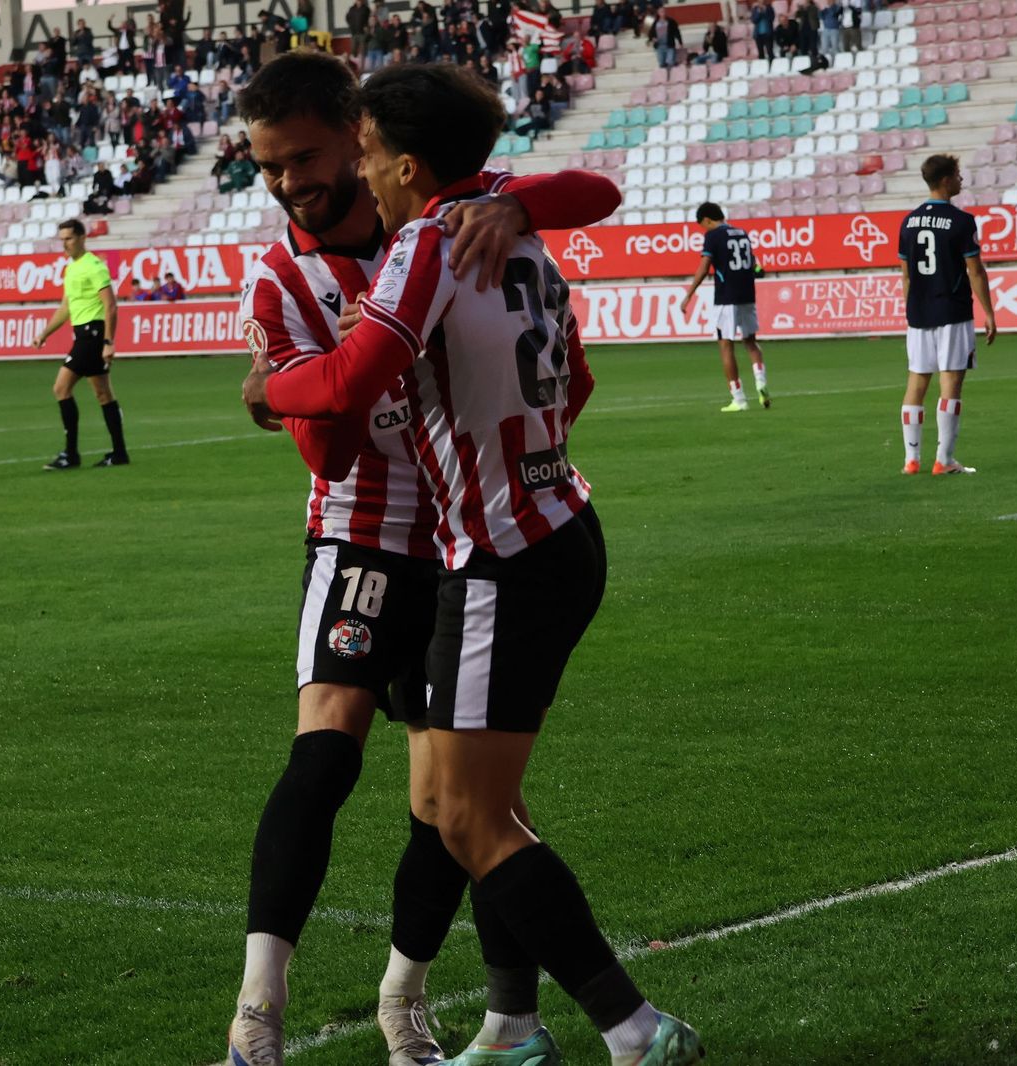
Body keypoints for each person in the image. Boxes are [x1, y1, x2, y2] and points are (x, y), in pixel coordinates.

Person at [241, 61, 704, 1066]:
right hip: (557, 517)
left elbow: (352, 380)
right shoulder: (505, 224)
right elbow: (574, 378)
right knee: (475, 804)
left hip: (495, 551)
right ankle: (510, 1028)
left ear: (397, 160)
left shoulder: (423, 243)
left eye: (362, 152)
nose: (358, 172)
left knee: (463, 812)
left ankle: (633, 1031)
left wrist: (270, 390)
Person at [897, 153, 995, 476]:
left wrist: (912, 309)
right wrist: (989, 312)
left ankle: (911, 460)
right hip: (952, 310)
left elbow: (906, 276)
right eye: (957, 174)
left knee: (917, 380)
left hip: (919, 313)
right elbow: (975, 271)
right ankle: (944, 460)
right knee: (950, 382)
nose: (961, 180)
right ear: (945, 180)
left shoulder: (908, 222)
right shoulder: (961, 221)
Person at [31, 219, 129, 469]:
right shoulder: (71, 268)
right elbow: (66, 308)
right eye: (62, 239)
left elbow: (110, 305)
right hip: (84, 335)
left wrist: (108, 342)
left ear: (82, 238)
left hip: (92, 335)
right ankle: (119, 453)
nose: (65, 244)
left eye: (69, 238)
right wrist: (45, 333)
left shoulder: (94, 267)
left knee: (61, 388)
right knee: (103, 393)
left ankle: (71, 454)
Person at [681, 202, 769, 411]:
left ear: (707, 220)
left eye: (703, 225)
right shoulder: (742, 233)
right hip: (747, 294)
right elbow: (755, 265)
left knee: (726, 346)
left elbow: (704, 267)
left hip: (726, 297)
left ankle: (739, 399)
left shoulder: (713, 236)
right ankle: (761, 382)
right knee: (751, 342)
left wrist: (689, 294)